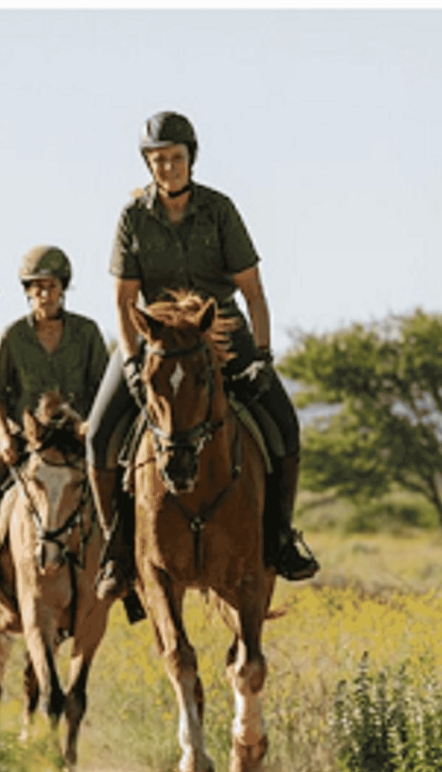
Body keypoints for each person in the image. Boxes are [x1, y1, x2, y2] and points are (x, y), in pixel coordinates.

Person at [88, 110, 319, 602]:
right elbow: (123, 300)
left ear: (191, 159)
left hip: (220, 331)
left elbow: (252, 290)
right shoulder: (132, 217)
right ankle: (117, 550)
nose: (167, 167)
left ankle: (280, 537)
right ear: (147, 165)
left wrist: (261, 356)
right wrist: (131, 363)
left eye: (175, 158)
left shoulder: (220, 210)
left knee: (285, 425)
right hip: (152, 338)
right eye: (158, 160)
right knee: (100, 438)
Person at [0, 245, 109, 618]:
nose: (44, 294)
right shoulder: (13, 334)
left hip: (75, 436)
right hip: (22, 436)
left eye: (51, 286)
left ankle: (125, 581)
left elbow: (102, 388)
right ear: (28, 291)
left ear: (63, 288)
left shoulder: (88, 332)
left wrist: (88, 424)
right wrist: (6, 436)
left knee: (119, 492)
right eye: (37, 287)